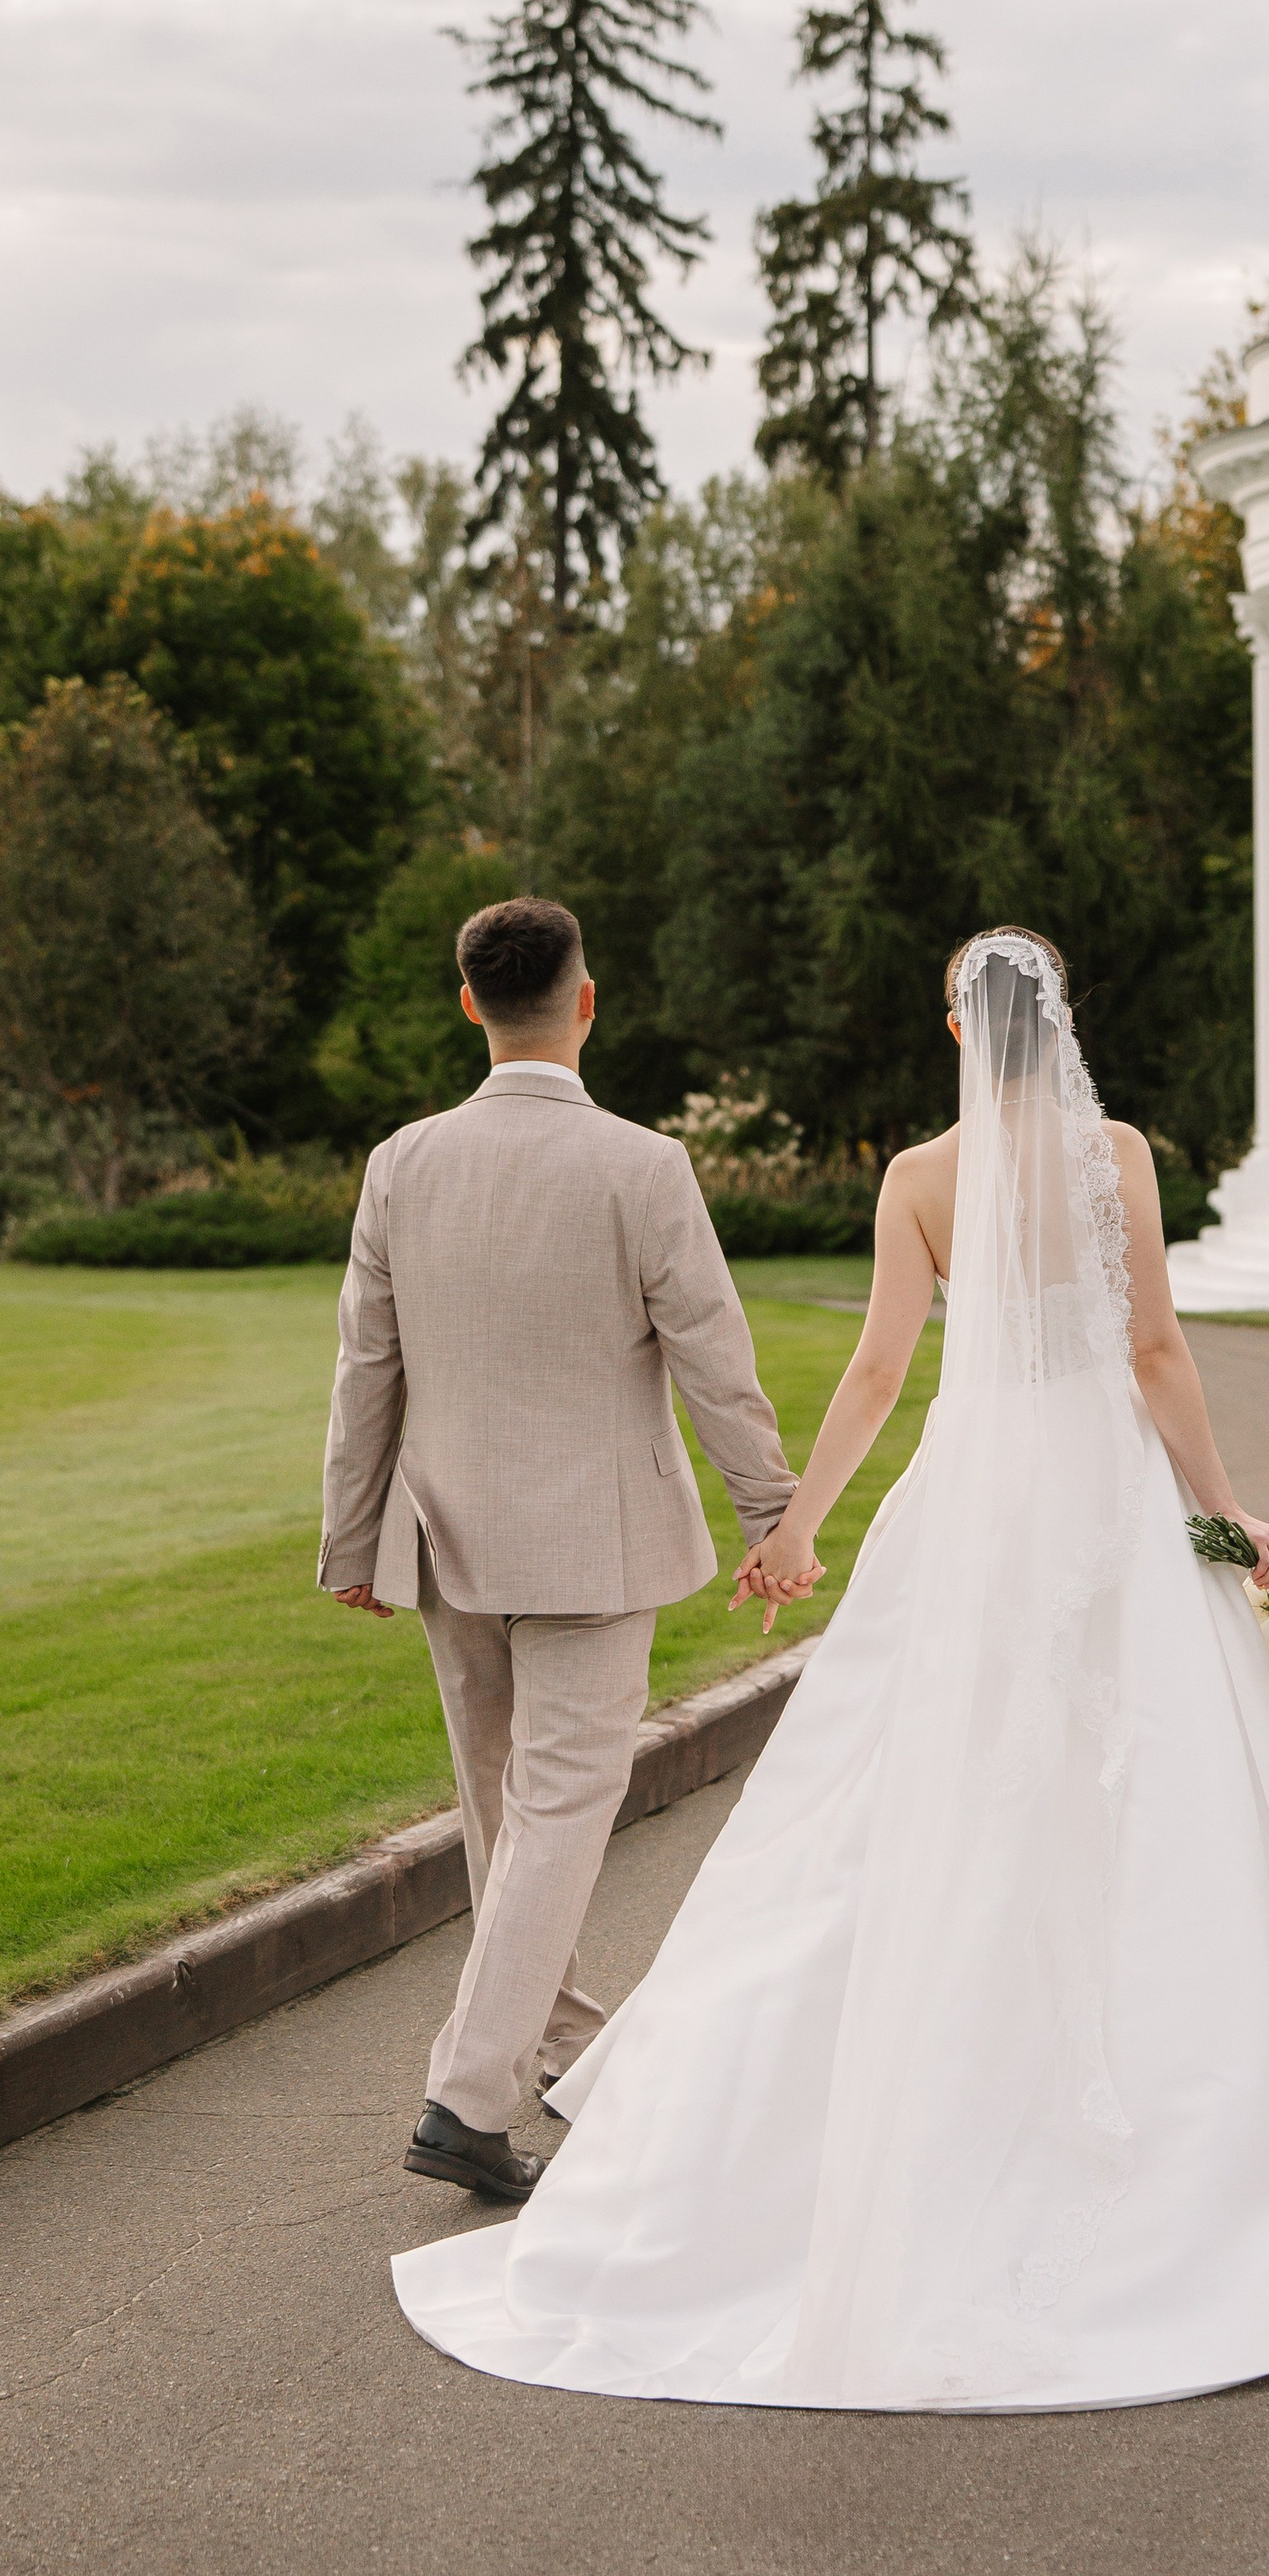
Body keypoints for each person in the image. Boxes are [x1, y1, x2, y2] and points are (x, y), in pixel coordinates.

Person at [391, 925, 1269, 2410]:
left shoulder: (919, 1181)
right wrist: (1224, 1510)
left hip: (975, 1498)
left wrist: (797, 1528)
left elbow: (881, 1369)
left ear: (956, 1024)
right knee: (1142, 1793)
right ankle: (1187, 2124)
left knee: (911, 1790)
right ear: (1057, 1021)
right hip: (1109, 1497)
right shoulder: (1118, 1151)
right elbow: (1153, 1352)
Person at [318, 894, 796, 2207]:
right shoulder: (645, 1166)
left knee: (508, 1824)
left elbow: (366, 1370)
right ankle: (469, 2098)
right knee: (551, 1819)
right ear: (585, 1000)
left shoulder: (399, 1162)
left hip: (445, 1541)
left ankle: (570, 2046)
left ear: (470, 1001)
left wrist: (350, 1537)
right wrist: (772, 1514)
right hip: (592, 1546)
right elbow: (715, 1357)